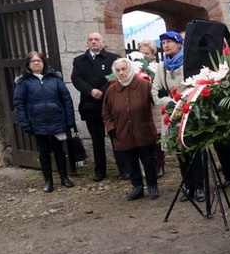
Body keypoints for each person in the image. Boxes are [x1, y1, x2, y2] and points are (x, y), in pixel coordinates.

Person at [152, 31, 205, 203]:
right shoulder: (161, 67)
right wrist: (170, 102)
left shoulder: (189, 62)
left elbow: (197, 85)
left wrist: (184, 101)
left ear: (179, 44)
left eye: (169, 42)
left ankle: (199, 186)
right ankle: (187, 186)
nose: (166, 45)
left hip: (190, 111)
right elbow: (156, 90)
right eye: (164, 42)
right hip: (173, 114)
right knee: (179, 151)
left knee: (194, 150)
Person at [14, 51, 77, 192]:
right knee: (44, 152)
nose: (37, 63)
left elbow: (66, 99)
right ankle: (48, 181)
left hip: (57, 120)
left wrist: (70, 119)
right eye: (33, 61)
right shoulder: (23, 82)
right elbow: (19, 104)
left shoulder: (55, 79)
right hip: (38, 122)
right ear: (28, 64)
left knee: (59, 150)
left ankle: (64, 177)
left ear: (44, 63)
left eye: (39, 61)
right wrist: (24, 122)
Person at [71, 32, 127, 182]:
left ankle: (124, 169)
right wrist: (90, 90)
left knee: (116, 137)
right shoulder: (79, 61)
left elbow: (116, 75)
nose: (94, 42)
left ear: (103, 42)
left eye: (97, 39)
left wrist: (103, 90)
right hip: (91, 105)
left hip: (110, 104)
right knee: (97, 140)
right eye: (90, 40)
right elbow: (76, 78)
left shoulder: (113, 58)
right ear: (87, 43)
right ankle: (100, 171)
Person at [102, 57, 160, 200]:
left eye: (124, 69)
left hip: (143, 131)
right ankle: (137, 187)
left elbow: (157, 104)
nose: (121, 73)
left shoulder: (145, 86)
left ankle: (152, 186)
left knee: (148, 161)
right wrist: (111, 129)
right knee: (131, 162)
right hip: (122, 134)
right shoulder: (111, 91)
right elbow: (106, 113)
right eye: (118, 70)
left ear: (130, 69)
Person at [138, 39, 166, 177]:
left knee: (157, 136)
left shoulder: (157, 67)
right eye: (141, 52)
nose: (144, 56)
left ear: (153, 54)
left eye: (147, 53)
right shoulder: (135, 68)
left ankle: (160, 163)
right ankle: (148, 164)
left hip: (154, 105)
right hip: (141, 106)